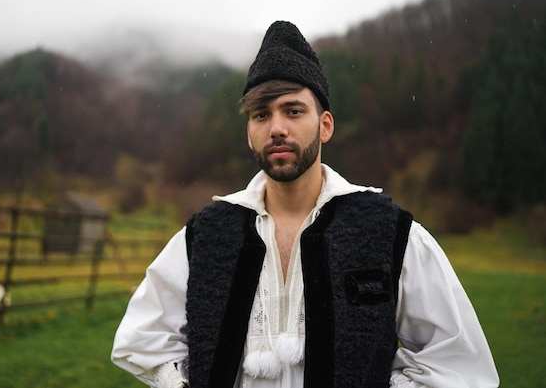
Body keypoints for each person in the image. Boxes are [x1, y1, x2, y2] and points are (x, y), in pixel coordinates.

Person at [111, 20, 499, 388]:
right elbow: (141, 338)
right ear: (250, 134)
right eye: (261, 115)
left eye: (293, 111)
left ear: (325, 125)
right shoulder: (205, 235)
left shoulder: (390, 232)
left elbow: (458, 362)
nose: (276, 127)